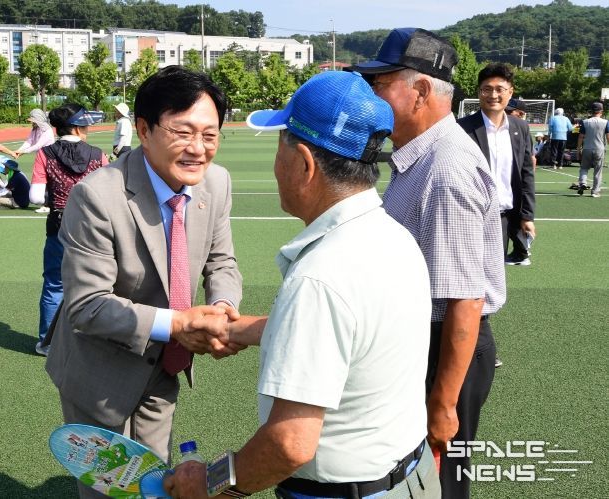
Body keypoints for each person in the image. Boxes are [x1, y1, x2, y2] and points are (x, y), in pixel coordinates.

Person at [165, 70, 439, 499]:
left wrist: (210, 483)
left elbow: (289, 444)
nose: (277, 166)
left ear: (305, 164)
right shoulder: (392, 236)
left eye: (281, 149)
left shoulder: (321, 276)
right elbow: (349, 332)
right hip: (413, 477)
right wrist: (241, 328)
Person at [45, 67, 243, 498]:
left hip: (165, 364)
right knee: (107, 489)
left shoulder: (218, 181)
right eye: (183, 132)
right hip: (100, 371)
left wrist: (223, 308)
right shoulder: (97, 195)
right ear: (143, 129)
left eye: (210, 136)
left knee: (154, 481)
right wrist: (181, 325)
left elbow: (221, 261)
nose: (198, 149)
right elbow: (88, 306)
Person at [353, 27, 506, 499]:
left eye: (381, 85)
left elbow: (465, 296)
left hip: (445, 351)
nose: (372, 96)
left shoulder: (446, 167)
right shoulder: (421, 157)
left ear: (419, 90)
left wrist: (443, 400)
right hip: (426, 345)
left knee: (439, 482)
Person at [29, 104, 109, 356]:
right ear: (76, 127)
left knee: (54, 284)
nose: (87, 130)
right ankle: (94, 339)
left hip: (59, 224)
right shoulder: (98, 154)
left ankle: (48, 341)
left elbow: (36, 197)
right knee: (99, 284)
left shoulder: (45, 154)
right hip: (93, 226)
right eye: (85, 126)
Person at [458, 63, 536, 267]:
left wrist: (527, 216)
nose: (493, 95)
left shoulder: (520, 127)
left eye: (499, 89)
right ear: (479, 92)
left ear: (510, 92)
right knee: (468, 272)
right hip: (470, 215)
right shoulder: (462, 128)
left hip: (503, 217)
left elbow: (526, 173)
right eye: (487, 89)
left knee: (494, 276)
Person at [576, 101, 608, 198]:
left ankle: (582, 183)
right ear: (601, 111)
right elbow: (608, 136)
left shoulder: (585, 122)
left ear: (592, 111)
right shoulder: (606, 122)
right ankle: (595, 191)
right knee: (598, 170)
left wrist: (578, 149)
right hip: (599, 148)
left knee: (584, 168)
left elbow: (581, 136)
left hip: (587, 148)